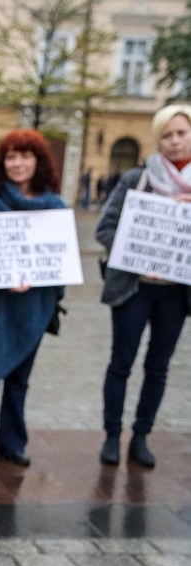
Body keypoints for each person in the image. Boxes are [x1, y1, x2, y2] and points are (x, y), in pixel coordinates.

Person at [95, 103, 191, 469]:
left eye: (181, 133)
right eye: (167, 135)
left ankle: (141, 435)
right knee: (121, 363)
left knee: (158, 367)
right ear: (158, 140)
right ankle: (111, 435)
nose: (175, 141)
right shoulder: (137, 178)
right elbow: (104, 228)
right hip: (134, 289)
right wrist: (137, 256)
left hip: (176, 293)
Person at [0, 130, 66, 468]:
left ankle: (12, 444)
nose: (18, 163)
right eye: (11, 156)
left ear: (38, 162)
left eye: (25, 156)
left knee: (19, 380)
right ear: (2, 163)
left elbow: (61, 264)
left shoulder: (54, 207)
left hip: (33, 308)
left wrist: (37, 281)